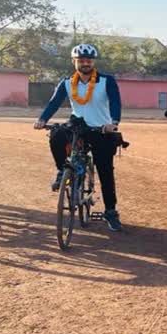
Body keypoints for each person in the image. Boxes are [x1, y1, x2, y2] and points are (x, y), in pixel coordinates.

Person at [33, 44, 124, 232]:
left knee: (105, 171)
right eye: (81, 60)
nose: (85, 63)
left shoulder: (107, 81)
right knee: (56, 135)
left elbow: (115, 102)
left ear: (93, 62)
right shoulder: (67, 82)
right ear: (74, 61)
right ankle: (61, 170)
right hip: (77, 126)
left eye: (88, 60)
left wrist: (113, 122)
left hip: (101, 129)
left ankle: (110, 212)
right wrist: (42, 119)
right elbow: (54, 103)